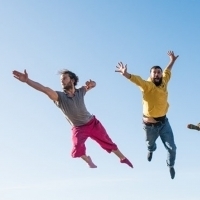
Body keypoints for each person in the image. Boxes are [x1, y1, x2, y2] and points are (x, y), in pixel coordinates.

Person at [12, 69, 133, 169]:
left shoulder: (81, 91)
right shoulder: (59, 97)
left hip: (92, 123)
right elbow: (45, 89)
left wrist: (92, 84)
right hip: (79, 128)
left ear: (72, 80)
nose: (62, 81)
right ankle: (87, 160)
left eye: (64, 78)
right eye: (61, 80)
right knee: (77, 148)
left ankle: (122, 158)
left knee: (107, 141)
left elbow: (93, 85)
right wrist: (27, 80)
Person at [115, 51, 179, 179]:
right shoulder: (147, 85)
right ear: (150, 75)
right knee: (150, 143)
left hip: (164, 123)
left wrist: (172, 60)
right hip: (150, 126)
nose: (157, 74)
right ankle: (151, 150)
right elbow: (137, 80)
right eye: (154, 72)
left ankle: (170, 165)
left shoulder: (164, 82)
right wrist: (126, 74)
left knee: (172, 148)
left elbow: (167, 71)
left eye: (158, 72)